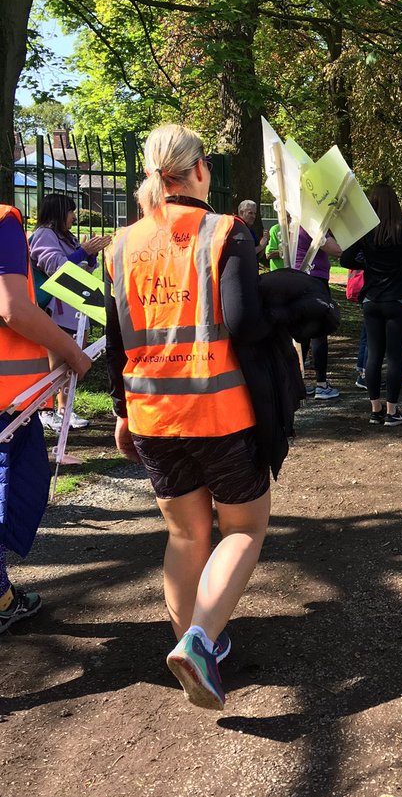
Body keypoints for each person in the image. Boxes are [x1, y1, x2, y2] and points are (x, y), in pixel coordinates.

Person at [107, 125, 273, 710]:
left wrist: (121, 414)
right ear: (200, 169)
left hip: (152, 411)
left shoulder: (120, 245)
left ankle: (194, 642)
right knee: (244, 528)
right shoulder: (226, 231)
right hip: (218, 409)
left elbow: (116, 338)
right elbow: (245, 321)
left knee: (184, 532)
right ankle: (201, 642)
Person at [1, 203, 93, 633]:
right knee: (14, 494)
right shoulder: (5, 221)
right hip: (7, 406)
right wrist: (72, 352)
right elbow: (14, 308)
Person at [340, 183, 402, 427]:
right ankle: (392, 411)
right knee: (394, 357)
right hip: (398, 298)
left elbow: (346, 259)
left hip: (372, 298)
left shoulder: (367, 230)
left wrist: (369, 266)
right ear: (395, 204)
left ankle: (375, 409)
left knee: (374, 354)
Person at [28, 194, 110, 432]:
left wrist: (89, 254)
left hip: (74, 309)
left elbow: (81, 267)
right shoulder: (45, 235)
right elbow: (56, 267)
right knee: (56, 363)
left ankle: (65, 409)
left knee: (72, 363)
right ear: (58, 213)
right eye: (71, 212)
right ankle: (46, 410)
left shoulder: (66, 236)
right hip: (55, 310)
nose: (74, 216)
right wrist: (83, 251)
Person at [293, 226, 342, 399]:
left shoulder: (294, 224)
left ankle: (298, 383)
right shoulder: (312, 223)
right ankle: (321, 384)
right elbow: (335, 249)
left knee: (303, 333)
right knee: (319, 332)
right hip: (315, 281)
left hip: (299, 280)